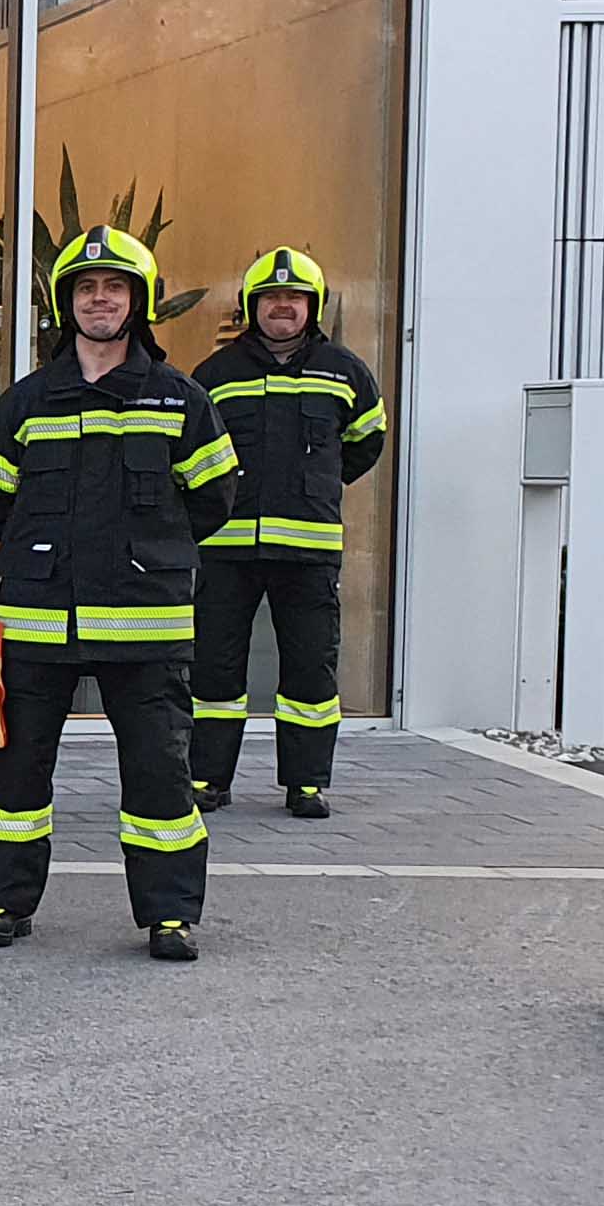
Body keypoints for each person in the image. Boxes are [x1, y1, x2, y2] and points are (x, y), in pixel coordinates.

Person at [0, 225, 237, 960]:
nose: (101, 299)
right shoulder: (24, 403)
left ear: (137, 301)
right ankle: (2, 903)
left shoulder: (181, 400)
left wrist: (147, 556)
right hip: (38, 624)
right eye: (86, 288)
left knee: (161, 777)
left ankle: (169, 916)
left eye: (115, 287)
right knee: (15, 772)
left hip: (146, 630)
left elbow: (214, 499)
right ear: (66, 303)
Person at [185, 246, 389, 819]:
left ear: (312, 306)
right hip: (226, 551)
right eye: (272, 297)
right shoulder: (215, 374)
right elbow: (192, 451)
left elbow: (366, 442)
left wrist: (316, 488)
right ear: (252, 305)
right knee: (214, 667)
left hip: (309, 552)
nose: (282, 306)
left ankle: (306, 783)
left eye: (294, 298)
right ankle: (207, 778)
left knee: (310, 668)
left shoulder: (345, 371)